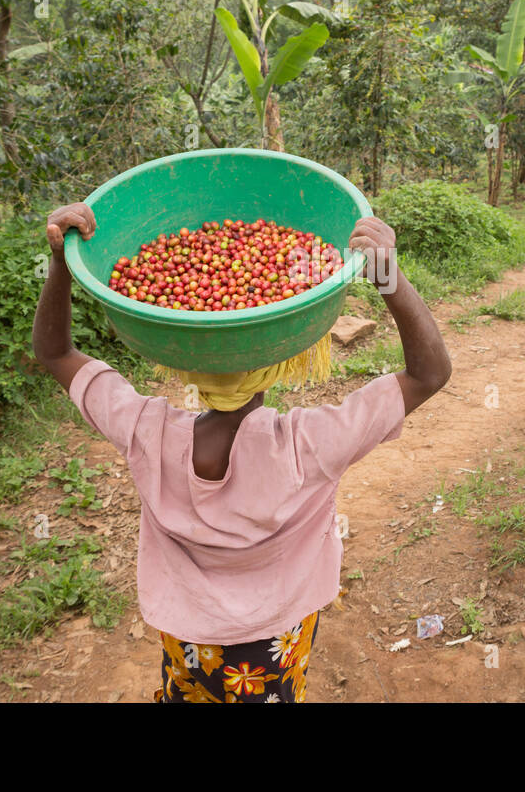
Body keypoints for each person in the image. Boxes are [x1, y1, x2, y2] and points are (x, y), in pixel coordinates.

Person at [32, 203, 451, 702]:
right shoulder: (309, 445)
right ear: (276, 360)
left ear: (187, 361)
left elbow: (55, 353)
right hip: (278, 637)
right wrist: (389, 276)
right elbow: (429, 374)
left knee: (190, 693)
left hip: (190, 635)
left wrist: (62, 261)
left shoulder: (148, 432)